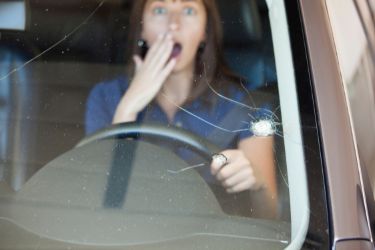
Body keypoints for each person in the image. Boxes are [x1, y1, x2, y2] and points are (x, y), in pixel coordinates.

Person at [86, 0, 277, 215]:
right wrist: (128, 107)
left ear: (204, 32)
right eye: (160, 10)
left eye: (188, 10)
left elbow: (269, 219)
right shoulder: (105, 97)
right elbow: (99, 204)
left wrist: (256, 182)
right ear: (142, 30)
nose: (173, 24)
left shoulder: (248, 105)